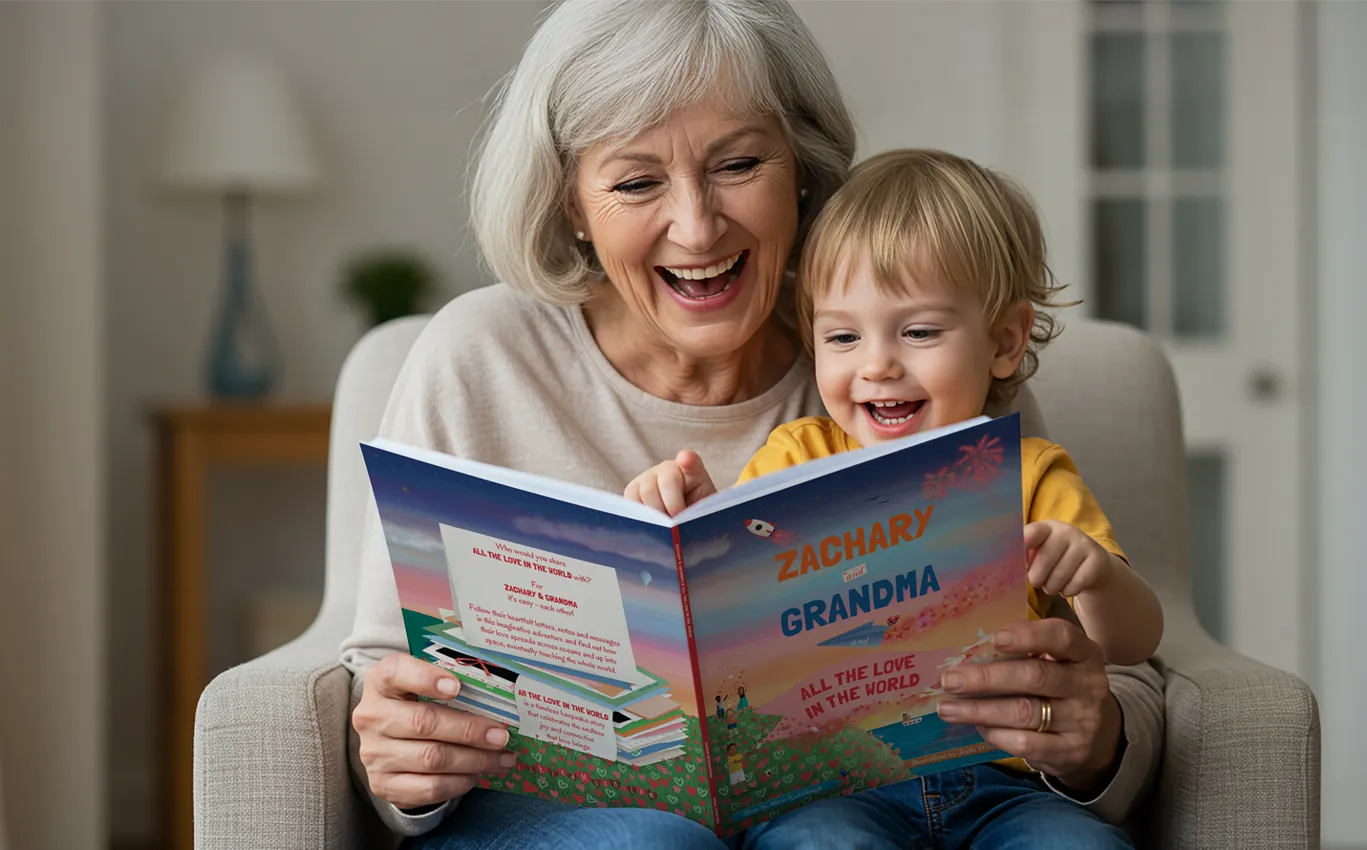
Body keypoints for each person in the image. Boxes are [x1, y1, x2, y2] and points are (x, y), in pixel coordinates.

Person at [340, 1, 1165, 848]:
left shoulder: (904, 344)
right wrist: (405, 760)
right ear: (570, 204)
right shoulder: (477, 356)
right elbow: (377, 678)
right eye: (634, 181)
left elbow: (1116, 659)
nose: (697, 227)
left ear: (801, 168)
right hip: (548, 806)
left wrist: (1090, 743)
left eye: (737, 163)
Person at [626, 148, 1166, 846]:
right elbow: (732, 616)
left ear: (1004, 341)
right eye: (843, 336)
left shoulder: (1029, 474)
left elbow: (1132, 642)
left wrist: (1092, 575)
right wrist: (689, 522)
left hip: (1002, 786)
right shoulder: (796, 458)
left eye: (918, 332)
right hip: (833, 789)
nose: (877, 364)